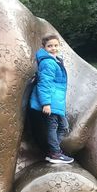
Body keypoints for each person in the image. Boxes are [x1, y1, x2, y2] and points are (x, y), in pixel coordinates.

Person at [29, 33, 74, 164]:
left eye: (55, 45)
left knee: (64, 126)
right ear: (44, 47)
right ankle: (55, 153)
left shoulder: (55, 60)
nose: (53, 48)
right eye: (50, 46)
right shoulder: (48, 62)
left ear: (59, 46)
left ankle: (53, 151)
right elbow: (44, 83)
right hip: (51, 101)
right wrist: (46, 103)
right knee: (53, 126)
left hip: (57, 101)